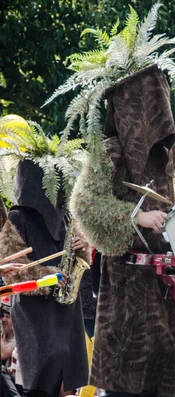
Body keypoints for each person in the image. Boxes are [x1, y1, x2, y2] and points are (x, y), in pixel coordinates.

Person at [70, 65, 175, 397]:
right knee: (125, 380)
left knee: (158, 377)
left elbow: (172, 199)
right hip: (124, 287)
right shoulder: (107, 152)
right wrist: (137, 219)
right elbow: (84, 205)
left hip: (161, 284)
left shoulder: (167, 155)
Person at [0, 158, 89, 397]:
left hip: (68, 308)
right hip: (36, 315)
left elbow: (82, 257)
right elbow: (12, 271)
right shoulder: (18, 218)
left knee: (68, 382)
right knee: (40, 385)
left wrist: (82, 247)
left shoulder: (66, 217)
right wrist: (50, 278)